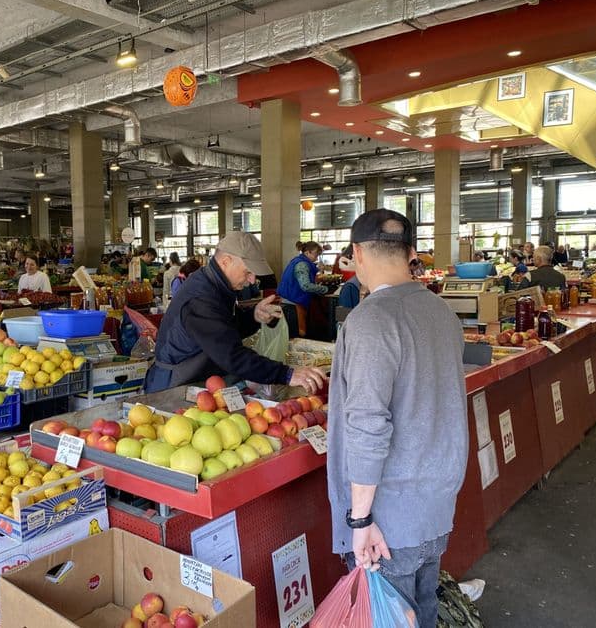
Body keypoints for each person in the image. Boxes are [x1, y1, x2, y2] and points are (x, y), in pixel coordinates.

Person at [327, 209, 468, 628]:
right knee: (421, 611)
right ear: (410, 253)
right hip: (435, 505)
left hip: (390, 520)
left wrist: (361, 520)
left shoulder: (371, 319)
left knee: (388, 616)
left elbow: (369, 425)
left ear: (356, 254)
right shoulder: (442, 312)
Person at [144, 231, 327, 393]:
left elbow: (224, 327)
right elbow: (230, 354)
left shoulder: (216, 285)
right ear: (225, 262)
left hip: (198, 380)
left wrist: (254, 316)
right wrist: (286, 374)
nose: (252, 280)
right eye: (248, 272)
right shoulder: (201, 298)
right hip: (173, 387)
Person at [277, 241, 330, 337]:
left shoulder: (299, 261)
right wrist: (325, 289)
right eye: (316, 255)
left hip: (290, 299)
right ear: (307, 253)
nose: (317, 257)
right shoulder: (302, 264)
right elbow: (305, 285)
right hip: (293, 302)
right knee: (299, 332)